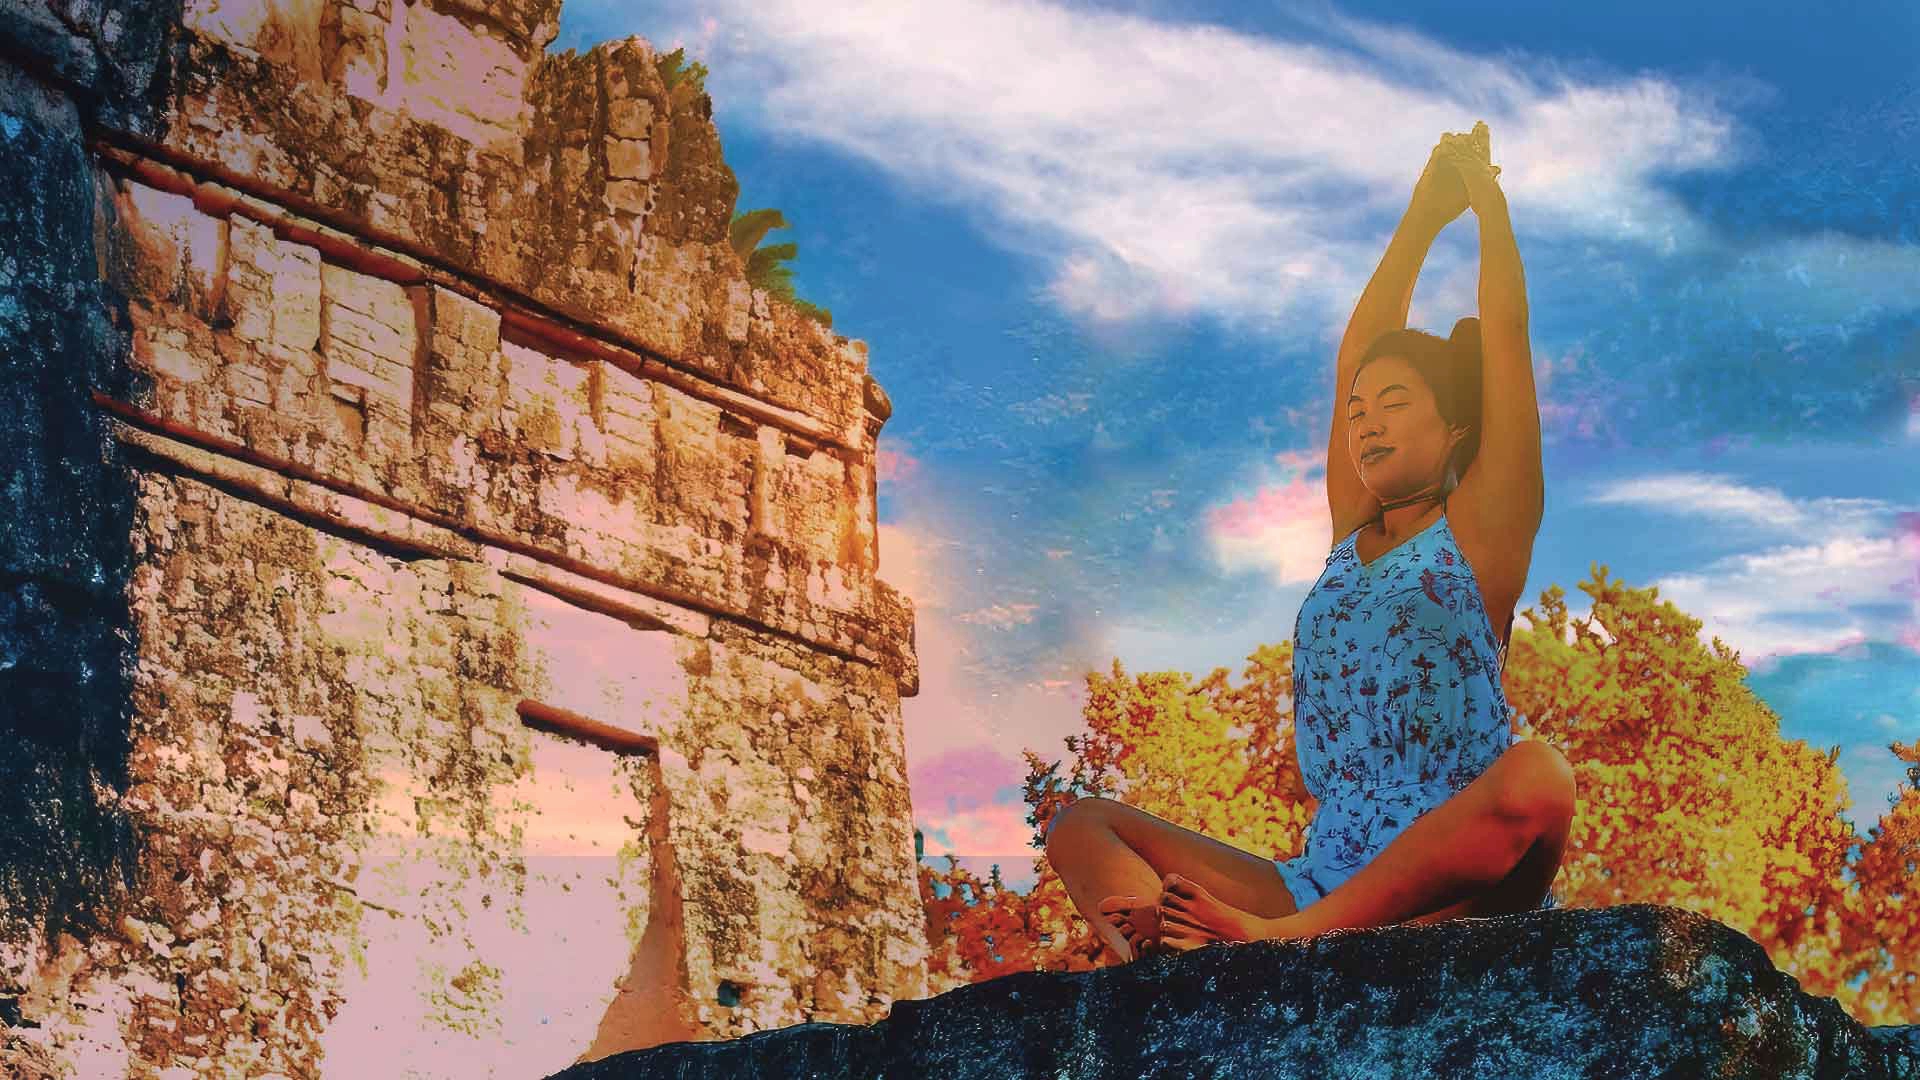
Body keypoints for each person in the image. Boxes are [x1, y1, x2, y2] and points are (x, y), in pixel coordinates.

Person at [1042, 123, 1576, 961]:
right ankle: (1177, 959)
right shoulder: (1350, 534)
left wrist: (1479, 201)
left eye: (1395, 404)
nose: (1367, 424)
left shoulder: (1480, 533)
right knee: (1082, 825)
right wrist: (1417, 216)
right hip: (1322, 880)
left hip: (1455, 890)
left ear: (1455, 425)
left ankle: (1269, 945)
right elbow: (1355, 357)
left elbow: (1504, 336)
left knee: (1541, 774)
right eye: (1359, 413)